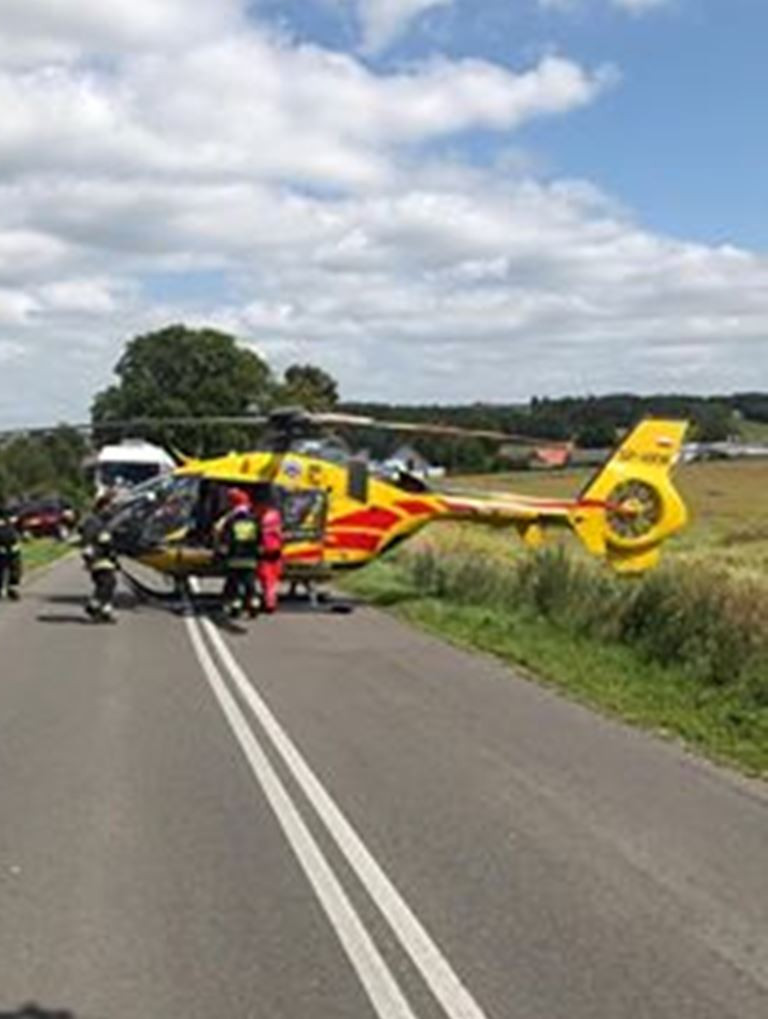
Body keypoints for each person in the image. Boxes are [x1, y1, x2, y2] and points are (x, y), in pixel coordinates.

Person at [215, 488, 261, 619]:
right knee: (250, 584)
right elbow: (259, 538)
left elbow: (223, 537)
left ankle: (236, 606)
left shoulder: (230, 521)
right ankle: (254, 604)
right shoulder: (254, 520)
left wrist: (220, 552)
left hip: (234, 558)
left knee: (234, 584)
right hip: (250, 558)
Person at [80, 494, 119, 622]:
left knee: (109, 583)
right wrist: (88, 554)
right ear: (102, 506)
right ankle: (94, 606)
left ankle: (105, 609)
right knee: (106, 582)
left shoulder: (104, 522)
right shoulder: (93, 521)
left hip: (106, 556)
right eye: (109, 507)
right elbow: (88, 538)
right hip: (97, 556)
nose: (111, 510)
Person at [254, 497, 284, 614]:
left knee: (266, 579)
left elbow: (259, 534)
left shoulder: (260, 517)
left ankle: (269, 603)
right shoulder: (276, 516)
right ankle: (270, 601)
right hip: (275, 550)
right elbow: (280, 534)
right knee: (272, 580)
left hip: (266, 551)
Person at [0, 505, 22, 600]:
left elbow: (18, 532)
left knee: (15, 569)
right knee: (2, 570)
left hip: (13, 548)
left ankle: (11, 589)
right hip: (2, 548)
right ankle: (3, 589)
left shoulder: (11, 520)